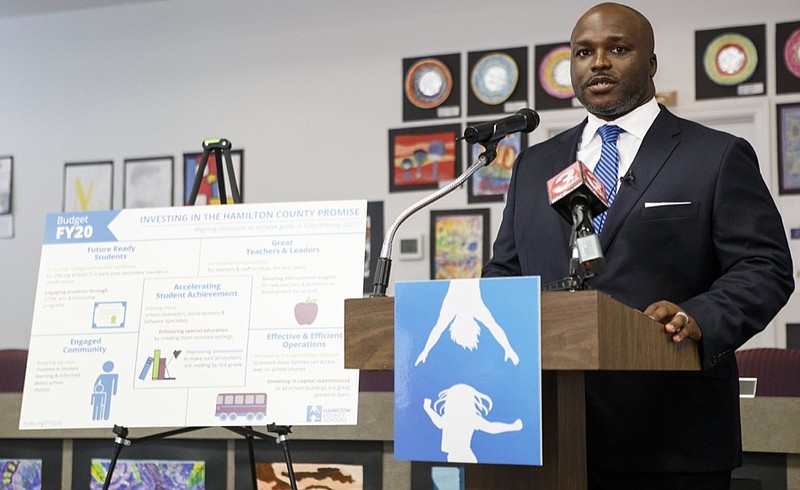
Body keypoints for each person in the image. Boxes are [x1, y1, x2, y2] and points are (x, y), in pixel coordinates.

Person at [482, 3, 794, 489]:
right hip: (545, 433)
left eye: (618, 49)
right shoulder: (533, 165)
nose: (598, 62)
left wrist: (696, 318)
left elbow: (765, 267)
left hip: (669, 435)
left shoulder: (715, 155)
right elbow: (503, 272)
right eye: (584, 52)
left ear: (650, 63)